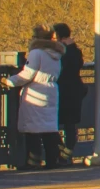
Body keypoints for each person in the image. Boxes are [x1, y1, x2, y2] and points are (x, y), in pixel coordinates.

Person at [14, 27, 65, 169]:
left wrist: (10, 81)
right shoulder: (56, 54)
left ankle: (33, 162)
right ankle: (53, 160)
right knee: (48, 128)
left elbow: (27, 74)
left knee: (33, 129)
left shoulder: (36, 53)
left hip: (36, 92)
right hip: (51, 91)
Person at [52, 22, 85, 160]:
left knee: (60, 124)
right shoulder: (73, 50)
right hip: (71, 90)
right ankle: (64, 154)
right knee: (67, 124)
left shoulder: (66, 51)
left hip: (65, 91)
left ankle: (64, 154)